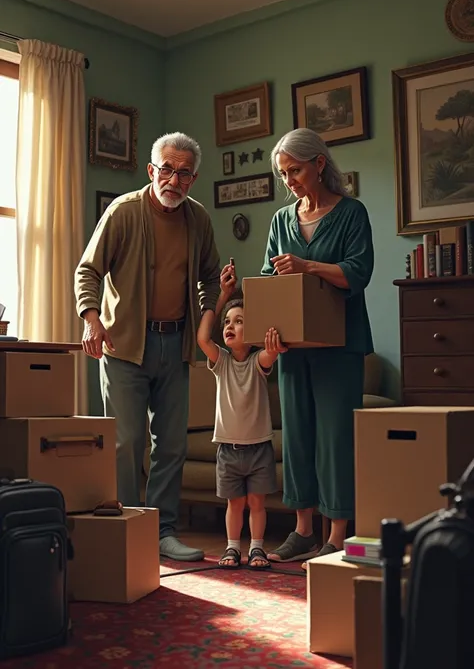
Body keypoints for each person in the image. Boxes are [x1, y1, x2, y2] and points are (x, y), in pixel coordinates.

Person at [74, 132, 221, 562]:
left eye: (185, 173)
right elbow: (88, 270)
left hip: (175, 345)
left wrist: (205, 323)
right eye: (168, 170)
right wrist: (91, 320)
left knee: (171, 444)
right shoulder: (123, 212)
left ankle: (162, 531)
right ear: (152, 170)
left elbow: (210, 277)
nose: (174, 180)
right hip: (124, 346)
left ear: (194, 178)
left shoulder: (199, 219)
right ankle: (125, 526)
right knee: (126, 441)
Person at [261, 127, 374, 565]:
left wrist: (307, 265)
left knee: (335, 437)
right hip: (293, 345)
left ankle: (338, 533)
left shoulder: (352, 213)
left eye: (296, 171)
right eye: (283, 174)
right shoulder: (280, 220)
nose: (289, 181)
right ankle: (304, 530)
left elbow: (357, 272)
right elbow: (269, 278)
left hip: (339, 344)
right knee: (299, 438)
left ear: (320, 164)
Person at [197, 262, 286, 569]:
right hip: (228, 449)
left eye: (239, 321)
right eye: (227, 322)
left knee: (257, 503)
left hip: (259, 447)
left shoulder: (257, 362)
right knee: (235, 504)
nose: (230, 326)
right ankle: (233, 548)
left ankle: (257, 548)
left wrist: (273, 336)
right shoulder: (220, 361)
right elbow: (203, 339)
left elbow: (270, 352)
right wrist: (222, 297)